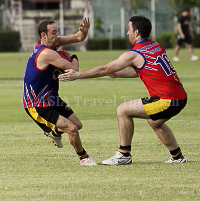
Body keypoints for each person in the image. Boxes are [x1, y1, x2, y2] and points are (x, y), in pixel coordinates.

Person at [59, 15, 188, 165]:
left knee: (123, 110)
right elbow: (142, 71)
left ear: (137, 32)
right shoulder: (156, 46)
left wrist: (78, 75)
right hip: (180, 97)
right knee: (155, 122)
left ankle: (124, 154)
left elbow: (105, 68)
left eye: (128, 29)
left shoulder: (134, 54)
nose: (127, 33)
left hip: (167, 100)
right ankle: (177, 156)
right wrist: (118, 74)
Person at [23, 18, 96, 166]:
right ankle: (84, 157)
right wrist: (74, 58)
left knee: (78, 125)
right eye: (54, 32)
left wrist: (84, 30)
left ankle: (55, 133)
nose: (58, 35)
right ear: (44, 35)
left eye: (58, 31)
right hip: (37, 104)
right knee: (73, 129)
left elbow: (78, 37)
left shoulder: (53, 43)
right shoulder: (46, 53)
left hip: (52, 99)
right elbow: (74, 69)